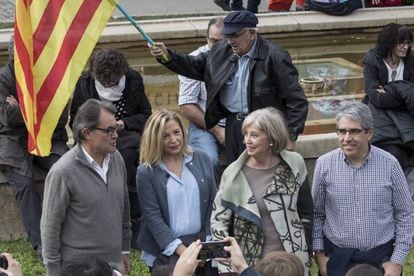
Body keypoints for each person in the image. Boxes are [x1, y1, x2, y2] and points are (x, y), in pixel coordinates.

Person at [149, 10, 308, 164]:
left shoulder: (275, 57)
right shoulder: (220, 51)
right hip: (234, 126)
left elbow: (296, 101)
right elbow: (194, 65)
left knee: (265, 176)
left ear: (252, 33)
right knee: (238, 177)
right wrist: (167, 56)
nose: (230, 41)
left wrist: (290, 136)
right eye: (228, 35)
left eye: (235, 35)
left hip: (264, 127)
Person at [312, 102, 414, 276]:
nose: (346, 138)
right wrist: (320, 255)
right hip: (337, 257)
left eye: (354, 131)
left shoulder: (390, 164)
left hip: (380, 257)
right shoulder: (324, 164)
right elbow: (317, 213)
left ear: (369, 133)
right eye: (342, 131)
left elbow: (405, 214)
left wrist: (396, 261)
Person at [210, 107, 313, 274]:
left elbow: (306, 211)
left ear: (271, 137)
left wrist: (306, 247)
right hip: (250, 264)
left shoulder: (294, 163)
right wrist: (227, 267)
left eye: (254, 135)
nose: (247, 141)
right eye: (246, 135)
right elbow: (218, 221)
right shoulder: (233, 173)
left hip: (292, 263)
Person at [70, 48, 151, 248]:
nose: (107, 85)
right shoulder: (85, 83)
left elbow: (145, 114)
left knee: (128, 157)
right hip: (95, 136)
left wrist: (123, 123)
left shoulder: (132, 80)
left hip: (126, 135)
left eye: (112, 82)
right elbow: (76, 120)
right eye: (104, 82)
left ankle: (131, 217)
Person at [41, 99, 131, 275]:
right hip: (81, 270)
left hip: (113, 265)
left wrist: (124, 250)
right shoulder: (62, 172)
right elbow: (50, 227)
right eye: (109, 130)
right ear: (87, 133)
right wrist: (53, 270)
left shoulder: (117, 159)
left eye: (116, 129)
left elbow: (124, 208)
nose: (115, 135)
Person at [0, 36, 68, 259]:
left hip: (47, 136)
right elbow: (7, 118)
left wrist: (23, 109)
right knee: (25, 183)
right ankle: (42, 245)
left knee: (68, 170)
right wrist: (40, 107)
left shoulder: (48, 74)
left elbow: (60, 115)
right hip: (11, 140)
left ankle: (73, 231)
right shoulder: (3, 78)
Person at [136, 109, 217, 274]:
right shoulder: (146, 172)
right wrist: (183, 252)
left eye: (177, 132)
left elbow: (212, 204)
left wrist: (204, 249)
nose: (173, 140)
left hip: (202, 247)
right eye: (165, 136)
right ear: (154, 139)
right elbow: (153, 218)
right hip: (167, 250)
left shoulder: (202, 158)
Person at [363, 23, 414, 170]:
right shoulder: (372, 61)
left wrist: (389, 90)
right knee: (394, 154)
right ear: (389, 43)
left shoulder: (411, 62)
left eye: (408, 43)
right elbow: (375, 97)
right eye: (401, 43)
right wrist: (403, 95)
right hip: (381, 117)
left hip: (407, 116)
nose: (405, 46)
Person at [178, 17, 225, 175]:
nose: (216, 46)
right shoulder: (195, 60)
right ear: (207, 39)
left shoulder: (240, 57)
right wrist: (218, 131)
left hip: (237, 122)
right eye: (212, 41)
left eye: (221, 41)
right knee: (207, 160)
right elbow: (187, 107)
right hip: (203, 125)